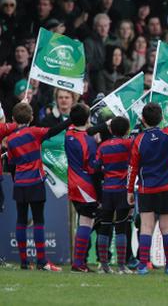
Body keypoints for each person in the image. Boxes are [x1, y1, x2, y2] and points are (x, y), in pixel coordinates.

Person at [127, 88, 168, 275]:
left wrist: (129, 190)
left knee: (146, 226)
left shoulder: (139, 140)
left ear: (142, 120)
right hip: (167, 188)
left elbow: (132, 169)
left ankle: (143, 265)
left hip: (146, 189)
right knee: (167, 226)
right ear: (161, 118)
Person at [7, 100, 69, 271]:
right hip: (35, 182)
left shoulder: (10, 140)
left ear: (13, 118)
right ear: (32, 117)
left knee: (21, 220)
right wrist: (70, 120)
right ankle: (42, 261)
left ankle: (24, 262)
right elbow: (53, 131)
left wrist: (16, 180)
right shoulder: (34, 132)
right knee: (38, 220)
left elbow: (11, 164)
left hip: (20, 183)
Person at [65, 104, 102, 272]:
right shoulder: (88, 140)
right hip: (85, 185)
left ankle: (79, 261)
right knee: (86, 223)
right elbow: (93, 167)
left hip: (72, 183)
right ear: (88, 119)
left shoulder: (69, 133)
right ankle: (78, 262)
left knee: (83, 222)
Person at [95, 116, 134, 274]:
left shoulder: (102, 146)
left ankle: (104, 265)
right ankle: (122, 266)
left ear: (110, 130)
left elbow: (95, 166)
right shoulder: (128, 144)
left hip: (107, 190)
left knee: (104, 227)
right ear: (127, 130)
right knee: (121, 227)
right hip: (122, 190)